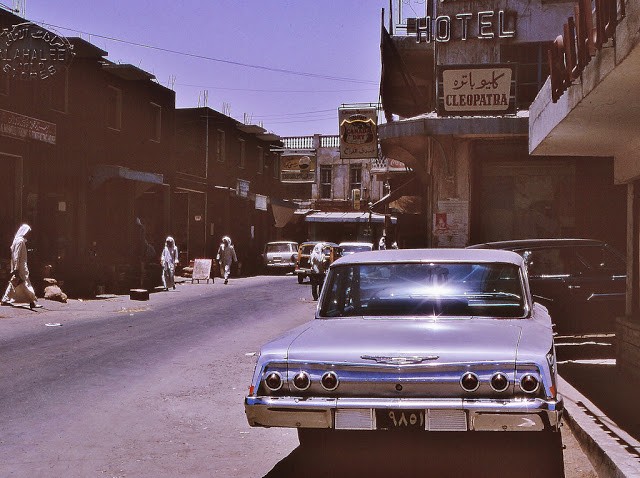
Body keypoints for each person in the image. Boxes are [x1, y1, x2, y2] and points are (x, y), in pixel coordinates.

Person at [2, 224, 39, 309]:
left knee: (14, 282)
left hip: (19, 266)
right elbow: (16, 255)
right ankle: (31, 301)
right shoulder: (20, 241)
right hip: (21, 266)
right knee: (25, 283)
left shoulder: (17, 240)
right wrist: (16, 268)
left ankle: (5, 299)